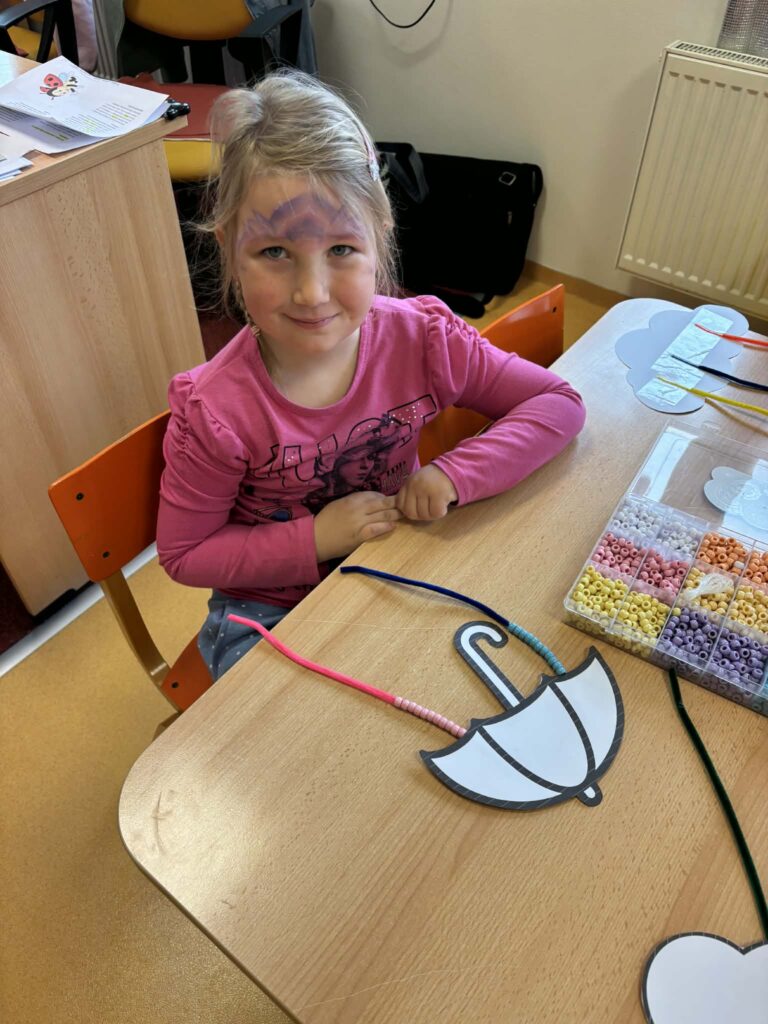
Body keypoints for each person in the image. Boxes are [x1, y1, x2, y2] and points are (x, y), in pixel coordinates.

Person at [157, 70, 586, 682]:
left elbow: (558, 403)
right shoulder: (216, 411)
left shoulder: (424, 340)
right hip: (271, 610)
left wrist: (454, 473)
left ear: (379, 238)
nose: (311, 293)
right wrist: (314, 539)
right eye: (274, 252)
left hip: (398, 561)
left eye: (341, 250)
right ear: (229, 248)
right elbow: (185, 554)